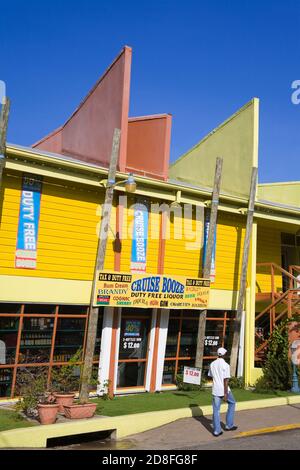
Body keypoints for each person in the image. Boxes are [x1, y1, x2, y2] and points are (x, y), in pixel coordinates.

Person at [208, 347, 237, 436]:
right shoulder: (226, 365)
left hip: (215, 390)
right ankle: (229, 425)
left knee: (216, 410)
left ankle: (217, 431)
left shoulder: (212, 364)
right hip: (224, 390)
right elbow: (226, 380)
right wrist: (225, 393)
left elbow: (210, 375)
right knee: (232, 403)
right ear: (224, 355)